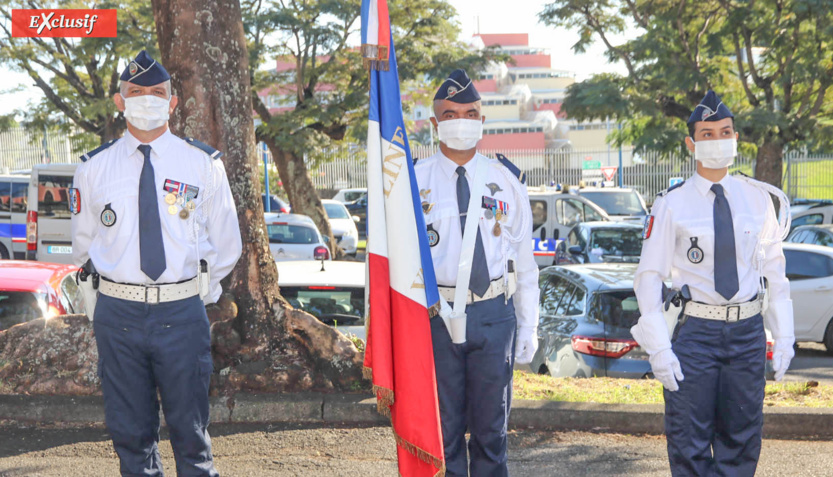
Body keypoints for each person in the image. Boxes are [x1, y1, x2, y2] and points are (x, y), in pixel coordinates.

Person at [71, 50, 242, 477]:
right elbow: (83, 246)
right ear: (119, 101)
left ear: (172, 102)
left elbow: (227, 245)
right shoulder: (94, 169)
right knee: (131, 438)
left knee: (192, 436)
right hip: (119, 316)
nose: (147, 100)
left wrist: (191, 293)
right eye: (136, 92)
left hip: (181, 313)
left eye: (157, 93)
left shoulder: (202, 164)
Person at [631, 90, 794, 476]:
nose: (718, 140)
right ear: (691, 144)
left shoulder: (758, 199)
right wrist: (659, 348)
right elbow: (648, 277)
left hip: (747, 333)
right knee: (688, 441)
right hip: (695, 334)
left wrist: (785, 335)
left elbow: (775, 271)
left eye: (725, 132)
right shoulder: (671, 204)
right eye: (707, 134)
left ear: (736, 138)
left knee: (742, 440)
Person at [414, 69, 539, 477]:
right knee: (443, 436)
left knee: (491, 436)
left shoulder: (506, 180)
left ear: (482, 120)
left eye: (470, 113)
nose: (461, 122)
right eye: (450, 114)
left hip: (493, 315)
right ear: (435, 123)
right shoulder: (413, 183)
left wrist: (529, 326)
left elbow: (525, 261)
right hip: (436, 317)